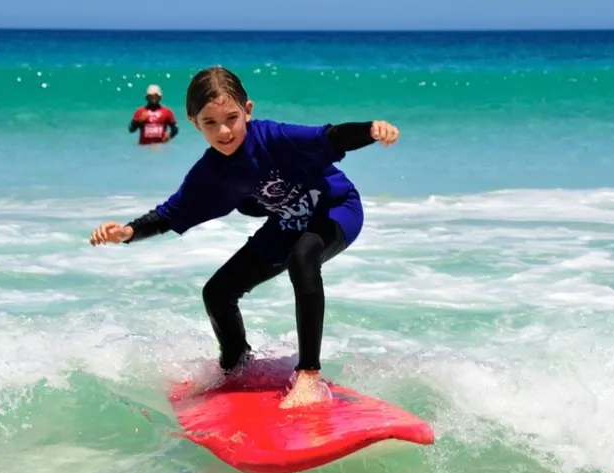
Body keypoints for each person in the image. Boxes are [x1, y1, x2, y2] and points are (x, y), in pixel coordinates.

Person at [92, 66, 399, 409]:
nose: (224, 131)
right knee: (218, 293)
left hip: (335, 210)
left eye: (231, 118)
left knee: (303, 257)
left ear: (248, 111)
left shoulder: (275, 137)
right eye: (210, 122)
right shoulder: (211, 173)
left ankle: (309, 377)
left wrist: (371, 130)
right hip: (286, 224)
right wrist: (128, 231)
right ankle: (236, 365)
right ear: (195, 123)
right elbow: (171, 213)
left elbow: (329, 137)